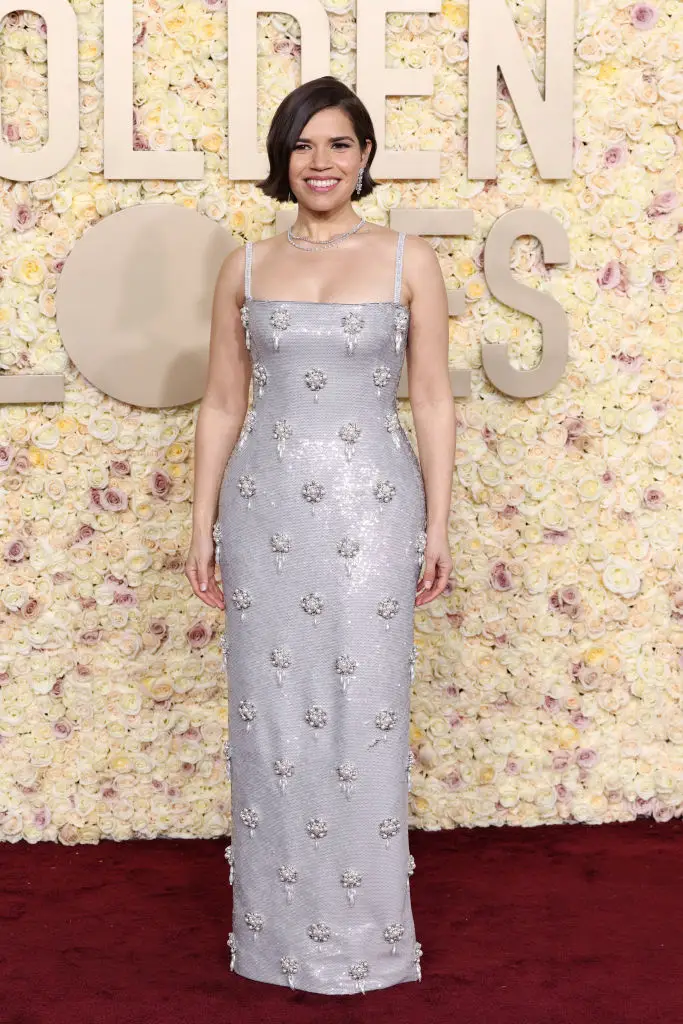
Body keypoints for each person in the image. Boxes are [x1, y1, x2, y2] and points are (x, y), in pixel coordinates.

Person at [185, 75, 455, 995]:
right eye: (302, 145)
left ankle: (367, 943)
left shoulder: (407, 260)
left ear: (365, 156)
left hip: (374, 513)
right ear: (282, 159)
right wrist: (201, 524)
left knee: (363, 715)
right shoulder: (245, 267)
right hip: (265, 514)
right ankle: (274, 941)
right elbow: (222, 403)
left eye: (338, 143)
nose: (320, 161)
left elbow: (431, 398)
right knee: (271, 718)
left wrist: (437, 523)